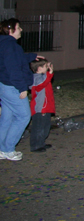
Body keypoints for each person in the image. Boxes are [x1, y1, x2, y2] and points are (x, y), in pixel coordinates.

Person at [0, 18, 44, 161]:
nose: (21, 30)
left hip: (4, 85)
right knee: (23, 116)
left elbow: (14, 59)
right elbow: (14, 69)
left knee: (7, 117)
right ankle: (8, 149)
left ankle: (2, 148)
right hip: (12, 87)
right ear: (11, 30)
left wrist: (32, 56)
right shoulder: (11, 46)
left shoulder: (5, 44)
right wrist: (22, 88)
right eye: (19, 27)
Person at [29, 59, 55, 153]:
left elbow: (46, 81)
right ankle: (36, 145)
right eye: (45, 66)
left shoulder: (43, 77)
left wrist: (48, 73)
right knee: (39, 127)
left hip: (46, 107)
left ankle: (41, 142)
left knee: (45, 126)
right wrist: (50, 73)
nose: (47, 68)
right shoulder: (36, 78)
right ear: (39, 68)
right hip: (40, 108)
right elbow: (41, 84)